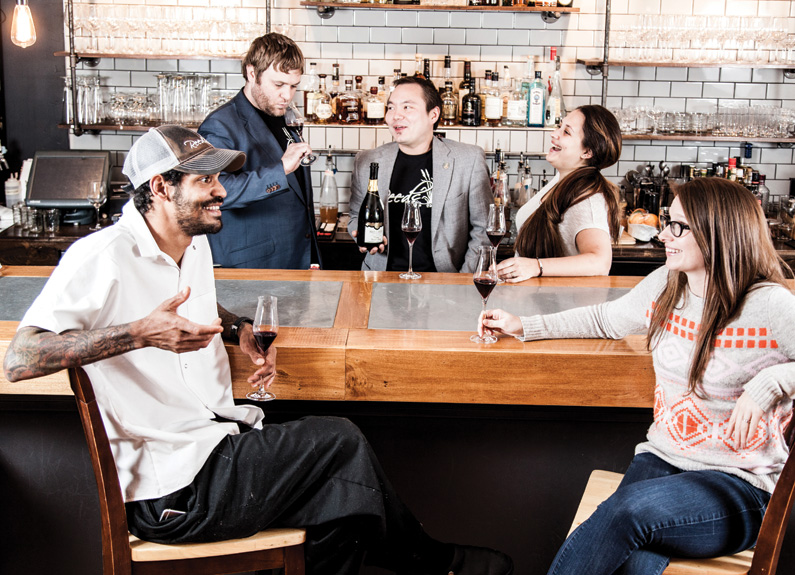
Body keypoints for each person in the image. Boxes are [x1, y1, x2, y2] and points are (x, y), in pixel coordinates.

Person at [3, 125, 513, 575]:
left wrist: (236, 329)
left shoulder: (192, 243)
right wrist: (139, 333)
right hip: (172, 488)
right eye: (205, 180)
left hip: (213, 446)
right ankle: (433, 563)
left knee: (343, 513)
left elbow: (201, 305)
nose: (221, 190)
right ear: (160, 187)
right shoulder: (102, 255)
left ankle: (434, 563)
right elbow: (22, 357)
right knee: (340, 440)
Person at [480, 177, 795, 575]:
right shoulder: (668, 284)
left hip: (738, 485)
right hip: (663, 459)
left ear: (718, 231)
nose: (664, 234)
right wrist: (523, 325)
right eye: (668, 222)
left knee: (626, 512)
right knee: (634, 556)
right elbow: (605, 319)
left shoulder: (768, 303)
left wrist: (776, 381)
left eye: (679, 227)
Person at [198, 33, 319, 269]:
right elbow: (215, 192)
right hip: (253, 263)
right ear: (252, 73)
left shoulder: (284, 115)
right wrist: (281, 168)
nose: (287, 95)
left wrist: (311, 253)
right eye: (278, 85)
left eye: (294, 86)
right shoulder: (220, 125)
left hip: (295, 257)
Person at [348, 76, 492, 274]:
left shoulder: (468, 160)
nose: (396, 115)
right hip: (381, 278)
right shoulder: (367, 161)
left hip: (444, 281)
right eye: (391, 107)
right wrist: (363, 235)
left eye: (407, 107)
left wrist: (462, 281)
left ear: (433, 115)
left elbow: (484, 230)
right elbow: (355, 215)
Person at [498, 105, 622, 282]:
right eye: (559, 126)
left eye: (566, 132)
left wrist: (536, 266)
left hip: (557, 303)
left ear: (587, 152)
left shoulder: (587, 200)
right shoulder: (563, 180)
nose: (554, 134)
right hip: (539, 299)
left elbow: (600, 262)